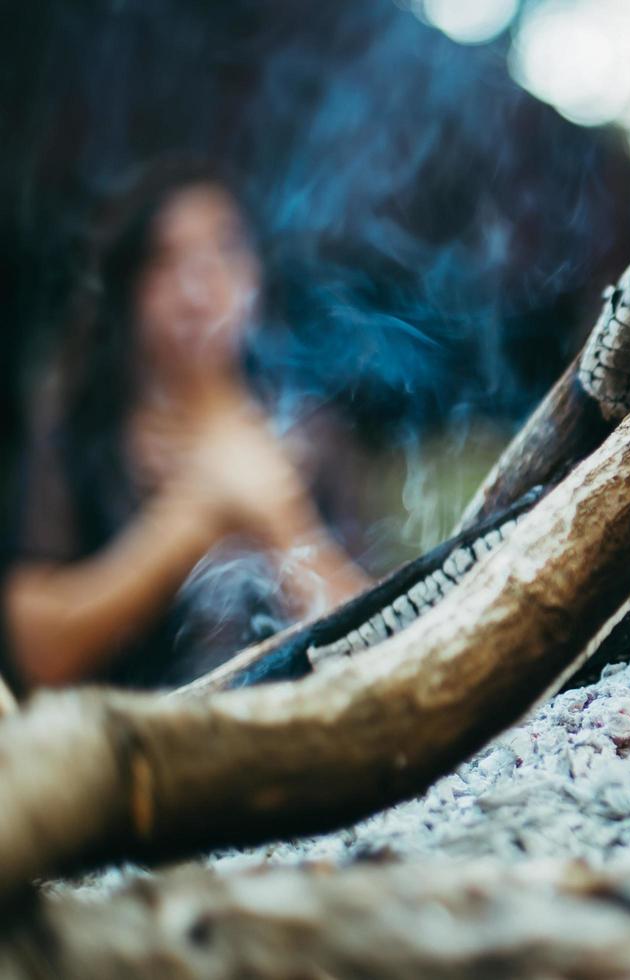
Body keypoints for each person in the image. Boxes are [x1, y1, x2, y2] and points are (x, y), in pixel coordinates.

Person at [2, 160, 368, 691]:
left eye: (224, 252)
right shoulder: (82, 434)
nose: (198, 289)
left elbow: (381, 638)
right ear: (128, 291)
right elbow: (37, 654)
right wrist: (194, 515)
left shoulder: (314, 434)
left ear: (256, 276)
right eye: (165, 260)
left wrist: (280, 520)